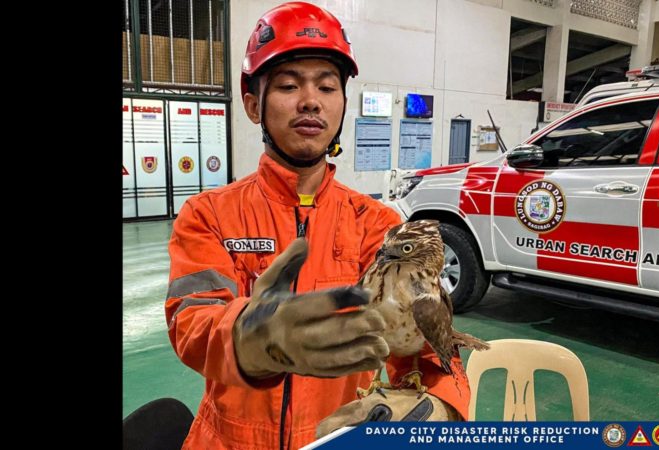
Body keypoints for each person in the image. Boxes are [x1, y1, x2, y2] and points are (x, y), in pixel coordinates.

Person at [164, 2, 470, 449]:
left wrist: (438, 409)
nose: (310, 100)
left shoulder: (379, 228)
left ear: (342, 105)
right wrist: (249, 336)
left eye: (327, 86)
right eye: (288, 84)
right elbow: (191, 324)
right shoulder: (208, 214)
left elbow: (429, 347)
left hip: (338, 437)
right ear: (253, 105)